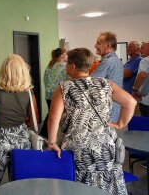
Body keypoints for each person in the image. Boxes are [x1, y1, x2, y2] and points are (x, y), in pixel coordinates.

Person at [47, 48, 136, 195]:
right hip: (105, 145)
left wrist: (51, 143)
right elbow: (130, 103)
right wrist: (120, 124)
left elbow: (53, 118)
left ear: (72, 66)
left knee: (80, 186)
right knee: (105, 184)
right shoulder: (106, 84)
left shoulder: (64, 88)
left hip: (78, 147)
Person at [0, 54, 38, 194]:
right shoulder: (28, 92)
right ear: (23, 71)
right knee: (19, 181)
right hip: (21, 138)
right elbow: (34, 120)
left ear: (3, 70)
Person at [91, 31, 124, 122]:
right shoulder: (116, 60)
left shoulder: (107, 61)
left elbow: (90, 83)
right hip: (113, 107)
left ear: (108, 45)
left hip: (107, 110)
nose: (95, 46)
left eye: (98, 43)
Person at [41, 48, 67, 138]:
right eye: (66, 54)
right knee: (58, 117)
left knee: (50, 115)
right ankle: (53, 136)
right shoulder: (64, 66)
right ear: (61, 55)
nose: (67, 56)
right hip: (58, 95)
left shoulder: (50, 65)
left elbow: (44, 80)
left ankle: (44, 134)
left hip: (48, 95)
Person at [132, 42, 149, 117]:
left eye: (142, 48)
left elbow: (142, 75)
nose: (140, 50)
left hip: (146, 100)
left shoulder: (145, 60)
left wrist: (135, 89)